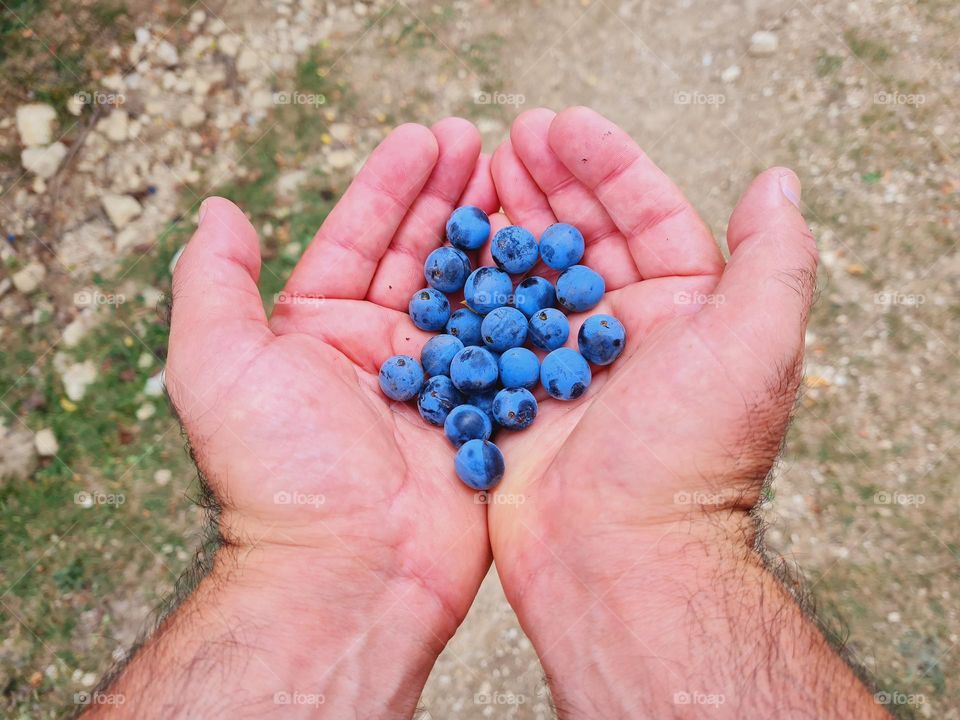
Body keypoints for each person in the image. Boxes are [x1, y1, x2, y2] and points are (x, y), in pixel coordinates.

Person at [82, 107, 886, 718]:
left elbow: (508, 338)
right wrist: (664, 544)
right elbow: (476, 345)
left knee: (511, 324)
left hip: (508, 356)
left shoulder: (534, 331)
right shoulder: (474, 341)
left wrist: (307, 559)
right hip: (481, 360)